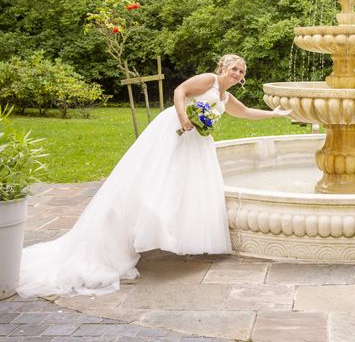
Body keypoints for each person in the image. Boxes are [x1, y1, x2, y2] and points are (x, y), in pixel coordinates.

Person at [17, 54, 290, 297]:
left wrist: (275, 114)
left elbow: (245, 112)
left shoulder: (225, 97)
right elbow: (180, 91)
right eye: (234, 68)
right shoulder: (208, 81)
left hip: (196, 144)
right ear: (223, 67)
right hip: (173, 132)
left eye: (241, 71)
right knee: (155, 180)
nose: (237, 74)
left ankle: (169, 233)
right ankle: (133, 230)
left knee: (185, 188)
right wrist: (184, 117)